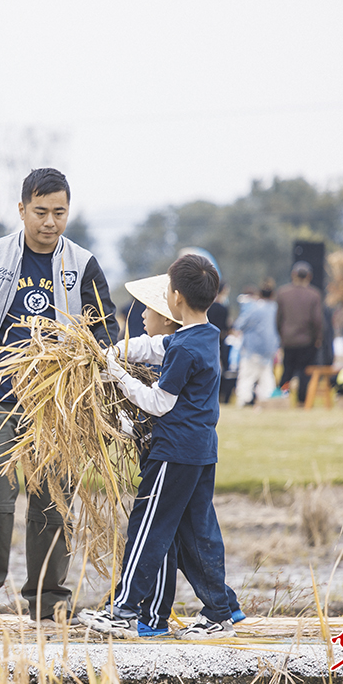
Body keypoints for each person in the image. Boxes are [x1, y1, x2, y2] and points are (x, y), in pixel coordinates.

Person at [0, 167, 118, 621]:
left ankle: (47, 603)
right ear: (22, 209)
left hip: (57, 405)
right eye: (41, 212)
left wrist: (100, 377)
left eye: (59, 213)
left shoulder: (82, 264)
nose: (50, 222)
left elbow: (105, 328)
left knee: (52, 503)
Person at [80, 254, 235, 640]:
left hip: (174, 450)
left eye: (166, 289)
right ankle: (219, 612)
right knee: (196, 533)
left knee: (148, 528)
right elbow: (153, 347)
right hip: (200, 450)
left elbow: (159, 402)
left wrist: (116, 376)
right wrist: (115, 352)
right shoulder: (202, 336)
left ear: (176, 297)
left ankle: (124, 611)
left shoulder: (185, 348)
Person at [276, 262, 323, 406]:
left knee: (287, 371)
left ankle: (282, 397)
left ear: (293, 275)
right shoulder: (314, 295)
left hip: (288, 340)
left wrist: (282, 336)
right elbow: (317, 321)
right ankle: (302, 402)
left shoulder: (282, 293)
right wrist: (318, 338)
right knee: (304, 374)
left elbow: (278, 319)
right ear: (309, 276)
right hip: (306, 341)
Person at [232, 279, 278, 407]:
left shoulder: (254, 308)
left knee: (247, 377)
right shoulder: (275, 309)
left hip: (252, 350)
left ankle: (243, 401)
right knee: (266, 379)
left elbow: (239, 325)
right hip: (269, 351)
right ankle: (268, 402)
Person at [206, 282, 233, 404]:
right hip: (220, 342)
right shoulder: (223, 308)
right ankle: (223, 396)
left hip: (207, 341)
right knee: (223, 368)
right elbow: (225, 328)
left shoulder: (207, 307)